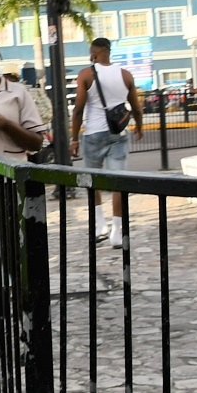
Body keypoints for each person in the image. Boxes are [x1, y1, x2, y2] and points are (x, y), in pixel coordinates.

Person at [70, 38, 144, 245]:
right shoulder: (125, 75)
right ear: (109, 52)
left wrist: (74, 138)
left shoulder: (85, 74)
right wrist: (139, 126)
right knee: (118, 182)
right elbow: (136, 107)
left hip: (93, 133)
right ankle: (117, 233)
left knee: (93, 182)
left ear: (93, 53)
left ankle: (100, 225)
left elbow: (78, 110)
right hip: (118, 134)